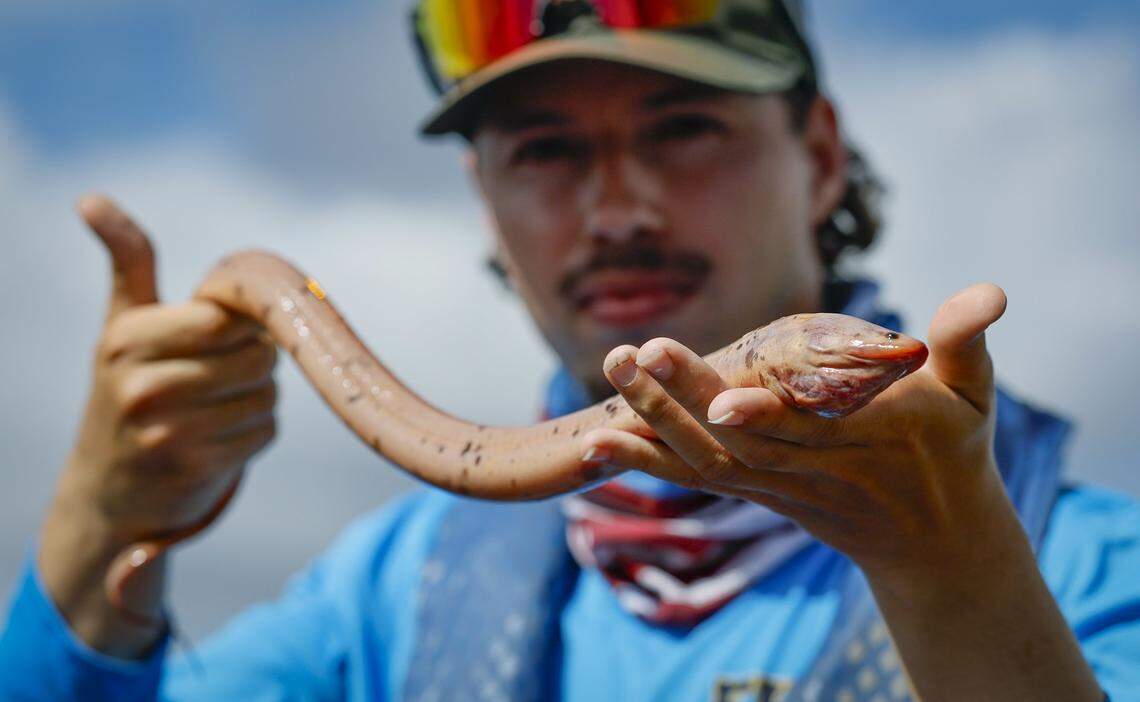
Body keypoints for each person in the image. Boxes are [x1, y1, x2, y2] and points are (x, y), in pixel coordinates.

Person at [1, 1, 1137, 700]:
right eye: (545, 151)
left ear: (823, 156)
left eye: (684, 128)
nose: (616, 208)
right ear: (484, 201)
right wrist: (95, 526)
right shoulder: (386, 599)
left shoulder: (1087, 564)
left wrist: (958, 575)